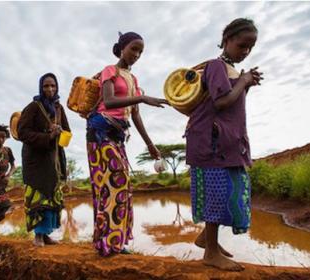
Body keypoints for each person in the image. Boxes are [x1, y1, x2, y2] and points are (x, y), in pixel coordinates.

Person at [185, 18, 263, 271]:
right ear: (227, 39)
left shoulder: (232, 71)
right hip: (211, 142)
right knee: (217, 193)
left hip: (227, 142)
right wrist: (243, 81)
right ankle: (210, 252)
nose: (246, 51)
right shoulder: (215, 65)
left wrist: (245, 82)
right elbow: (220, 103)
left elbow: (232, 102)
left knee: (227, 189)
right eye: (242, 45)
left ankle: (207, 240)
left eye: (250, 47)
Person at [86, 31, 168, 256]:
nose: (137, 54)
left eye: (141, 51)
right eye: (134, 48)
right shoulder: (109, 71)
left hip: (119, 134)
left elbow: (135, 115)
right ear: (122, 48)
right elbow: (110, 100)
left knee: (123, 187)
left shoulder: (133, 79)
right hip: (100, 131)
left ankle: (116, 242)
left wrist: (150, 144)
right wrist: (142, 97)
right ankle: (105, 243)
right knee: (113, 182)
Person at [18, 73, 70, 247]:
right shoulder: (33, 107)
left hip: (53, 159)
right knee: (38, 198)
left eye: (53, 86)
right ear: (41, 87)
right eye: (46, 86)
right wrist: (47, 136)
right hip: (36, 160)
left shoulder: (59, 108)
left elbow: (67, 133)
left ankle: (46, 234)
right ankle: (38, 236)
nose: (50, 89)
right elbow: (22, 132)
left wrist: (60, 133)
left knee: (52, 198)